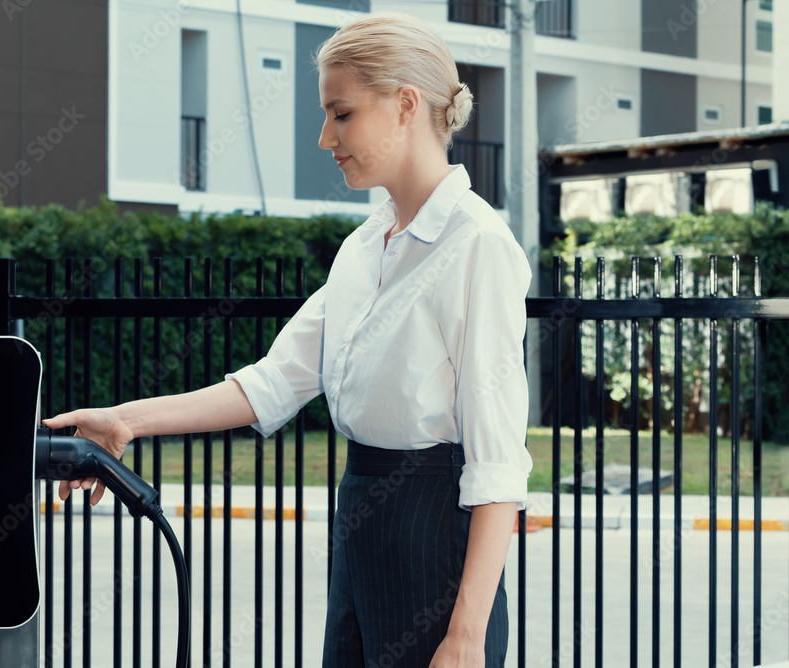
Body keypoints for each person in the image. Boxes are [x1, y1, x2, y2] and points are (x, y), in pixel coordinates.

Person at [43, 12, 532, 668]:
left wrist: (466, 635)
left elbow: (499, 461)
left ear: (406, 105)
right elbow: (275, 380)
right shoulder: (365, 247)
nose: (326, 136)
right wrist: (126, 421)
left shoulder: (478, 245)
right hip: (363, 524)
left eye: (342, 113)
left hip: (435, 543)